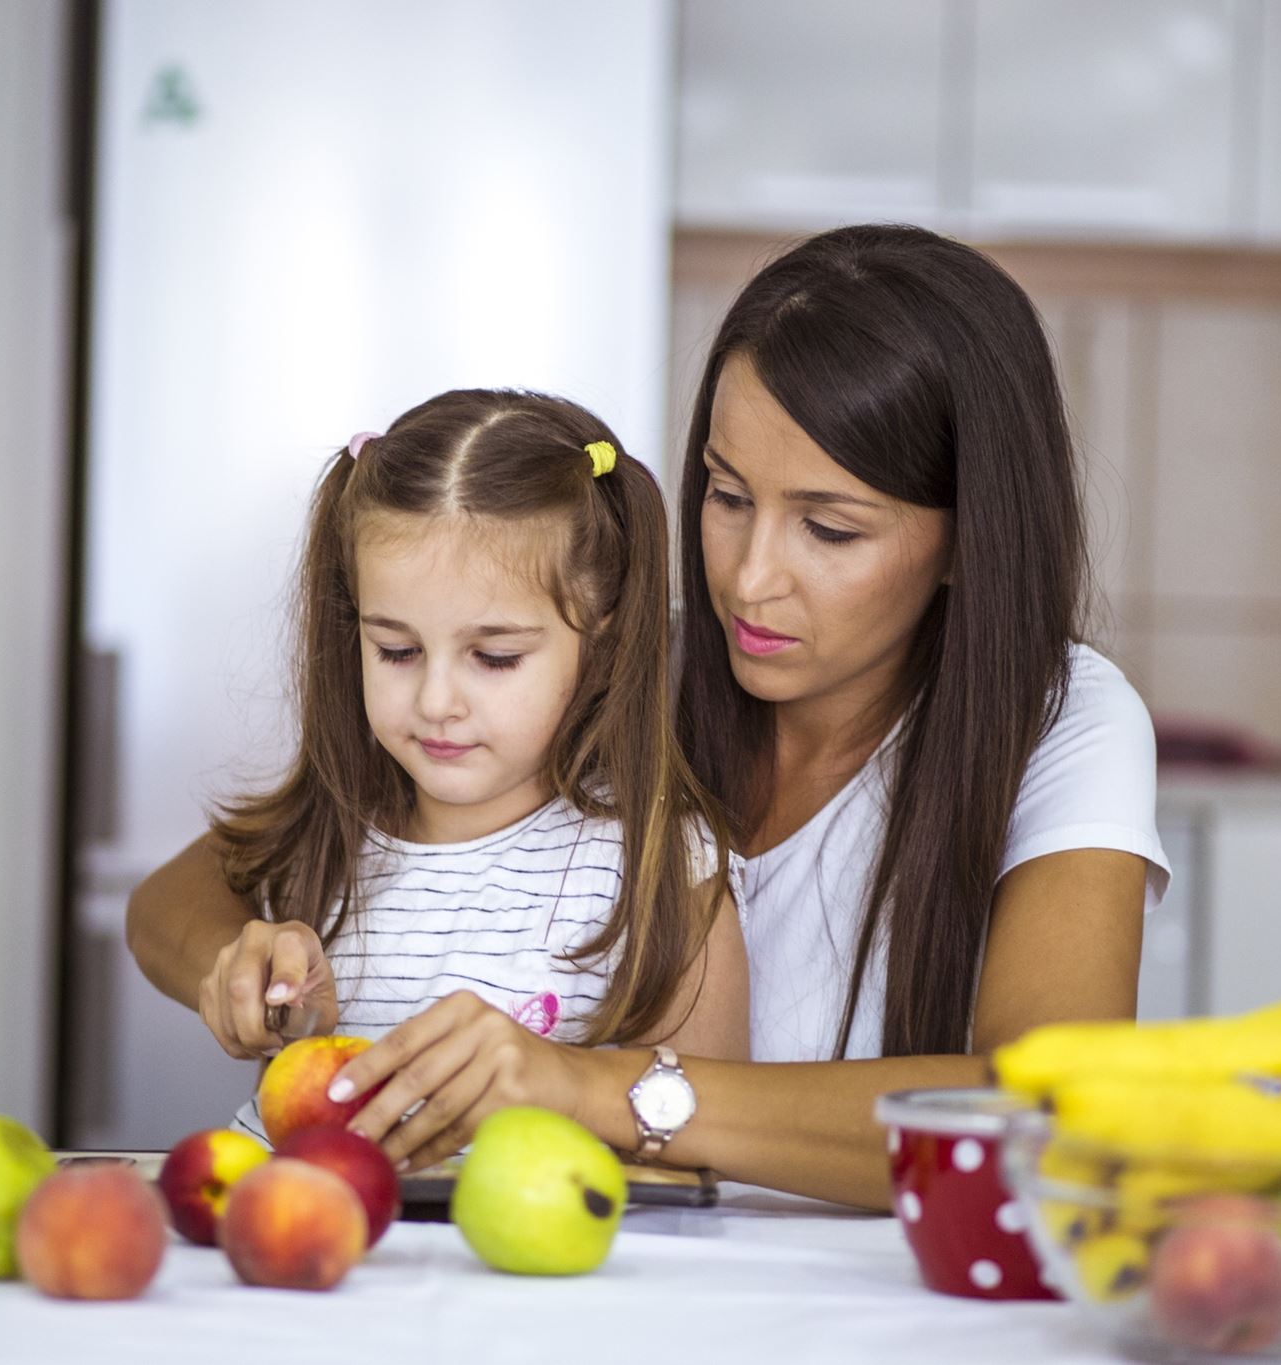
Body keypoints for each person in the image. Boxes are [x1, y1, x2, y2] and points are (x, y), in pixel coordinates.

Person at [132, 227, 1167, 1205]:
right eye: (725, 496)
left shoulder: (1061, 722)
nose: (749, 579)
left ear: (964, 538)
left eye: (828, 527)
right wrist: (241, 965)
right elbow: (197, 888)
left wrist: (594, 1086)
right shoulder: (607, 665)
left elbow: (1045, 1118)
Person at [134, 389, 749, 1144]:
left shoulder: (658, 865)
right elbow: (154, 910)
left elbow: (696, 1140)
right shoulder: (331, 825)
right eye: (396, 649)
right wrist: (236, 962)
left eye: (494, 657)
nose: (435, 700)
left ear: (605, 646)